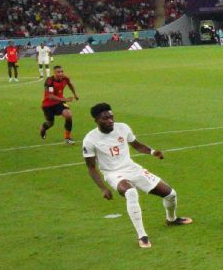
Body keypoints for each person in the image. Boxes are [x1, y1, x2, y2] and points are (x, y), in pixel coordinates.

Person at [82, 103, 192, 248]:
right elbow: (91, 168)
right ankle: (142, 236)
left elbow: (137, 145)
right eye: (105, 118)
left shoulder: (123, 128)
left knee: (170, 194)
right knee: (131, 193)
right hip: (113, 173)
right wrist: (103, 188)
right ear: (96, 120)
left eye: (111, 117)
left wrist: (153, 152)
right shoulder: (90, 139)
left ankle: (171, 219)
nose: (110, 121)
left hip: (132, 168)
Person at [39, 64, 78, 144]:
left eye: (62, 71)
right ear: (54, 73)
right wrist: (63, 99)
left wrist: (75, 94)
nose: (60, 73)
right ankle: (43, 129)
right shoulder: (49, 81)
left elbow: (70, 85)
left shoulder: (65, 78)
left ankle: (67, 138)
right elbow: (50, 96)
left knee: (68, 115)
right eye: (58, 72)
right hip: (48, 105)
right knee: (50, 123)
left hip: (59, 103)